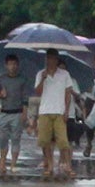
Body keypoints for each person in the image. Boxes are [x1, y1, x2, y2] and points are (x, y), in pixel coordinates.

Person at [32, 48, 77, 178]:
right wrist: (43, 79)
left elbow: (68, 94)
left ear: (57, 60)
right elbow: (38, 92)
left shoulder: (64, 74)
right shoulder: (40, 74)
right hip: (45, 110)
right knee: (45, 140)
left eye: (53, 58)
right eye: (48, 58)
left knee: (63, 141)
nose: (50, 61)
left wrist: (66, 111)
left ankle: (67, 165)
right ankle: (49, 165)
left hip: (59, 111)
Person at [0, 52, 31, 177]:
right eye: (10, 64)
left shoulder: (23, 79)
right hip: (4, 112)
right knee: (3, 138)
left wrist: (25, 113)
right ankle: (2, 162)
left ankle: (13, 164)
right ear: (6, 65)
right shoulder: (1, 79)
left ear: (18, 65)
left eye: (14, 64)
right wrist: (0, 94)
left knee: (16, 138)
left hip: (17, 112)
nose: (12, 67)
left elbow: (26, 97)